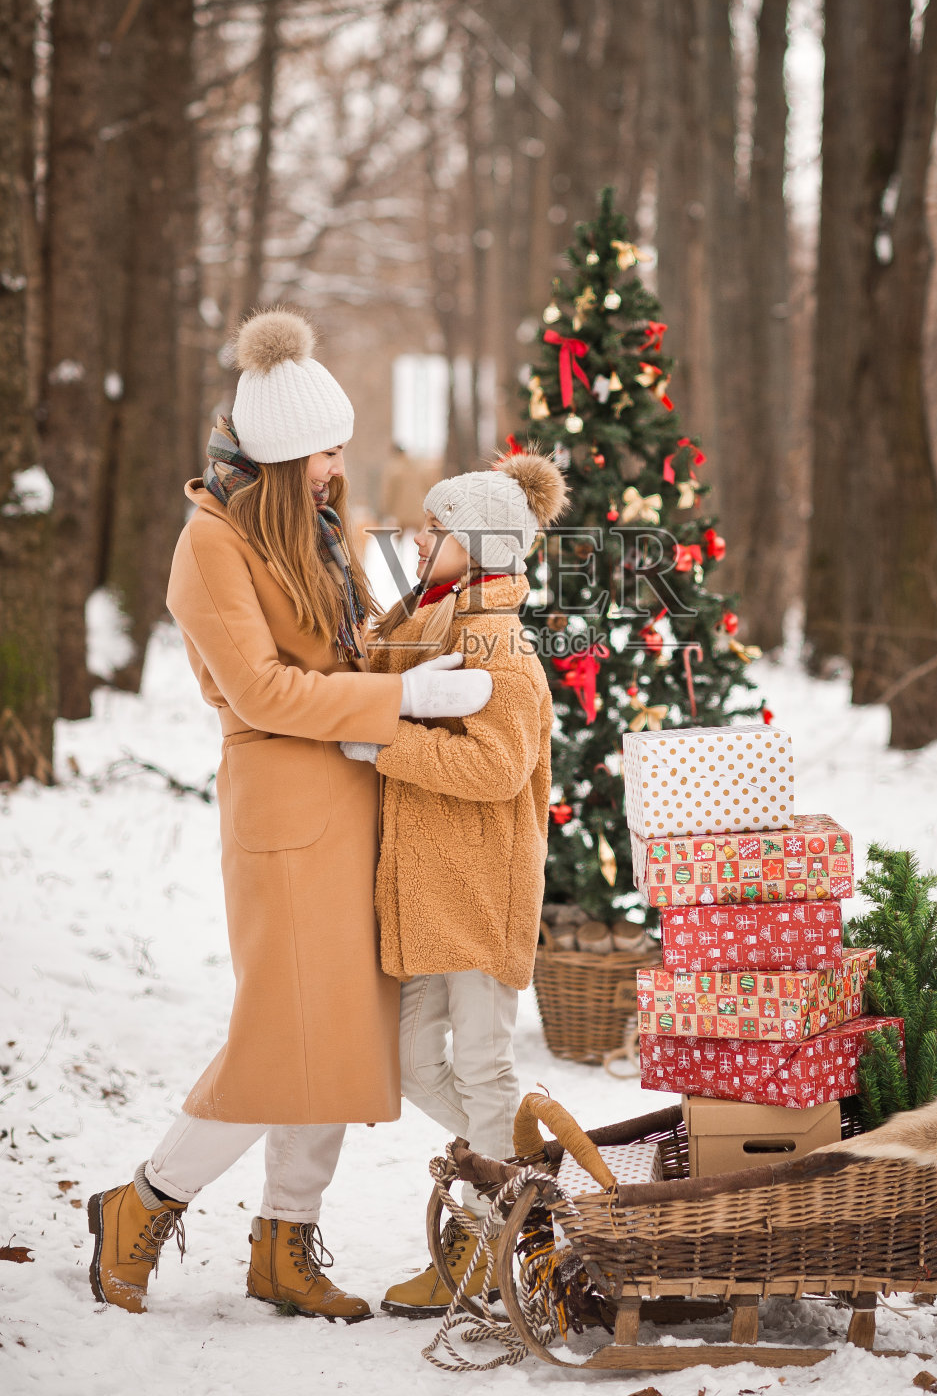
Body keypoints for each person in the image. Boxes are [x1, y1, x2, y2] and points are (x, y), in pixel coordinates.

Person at [86, 309, 493, 1321]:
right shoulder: (209, 549)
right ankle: (139, 1206)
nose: (336, 465)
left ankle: (282, 1243)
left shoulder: (320, 533)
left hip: (356, 799)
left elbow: (350, 651)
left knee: (343, 1040)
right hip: (283, 812)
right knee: (285, 1040)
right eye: (323, 449)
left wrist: (423, 664)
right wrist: (396, 700)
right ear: (277, 457)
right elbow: (265, 693)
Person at [339, 447, 567, 1316]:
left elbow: (499, 767)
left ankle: (484, 1238)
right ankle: (517, 1167)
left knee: (478, 1058)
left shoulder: (497, 642)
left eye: (435, 530)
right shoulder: (429, 618)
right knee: (402, 1058)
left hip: (478, 888)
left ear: (480, 548)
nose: (418, 537)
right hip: (426, 889)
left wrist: (382, 741)